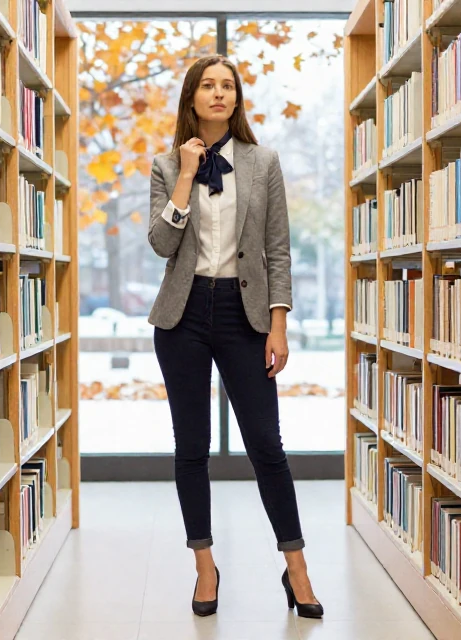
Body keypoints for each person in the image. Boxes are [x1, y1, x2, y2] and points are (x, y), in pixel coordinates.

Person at [146, 54, 323, 620]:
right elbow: (160, 245)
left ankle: (296, 568)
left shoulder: (262, 162)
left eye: (227, 86)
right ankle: (204, 565)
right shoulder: (165, 164)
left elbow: (278, 250)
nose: (218, 94)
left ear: (237, 98)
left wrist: (279, 325)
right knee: (191, 447)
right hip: (184, 314)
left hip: (245, 316)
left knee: (266, 448)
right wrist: (184, 176)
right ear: (191, 98)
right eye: (207, 85)